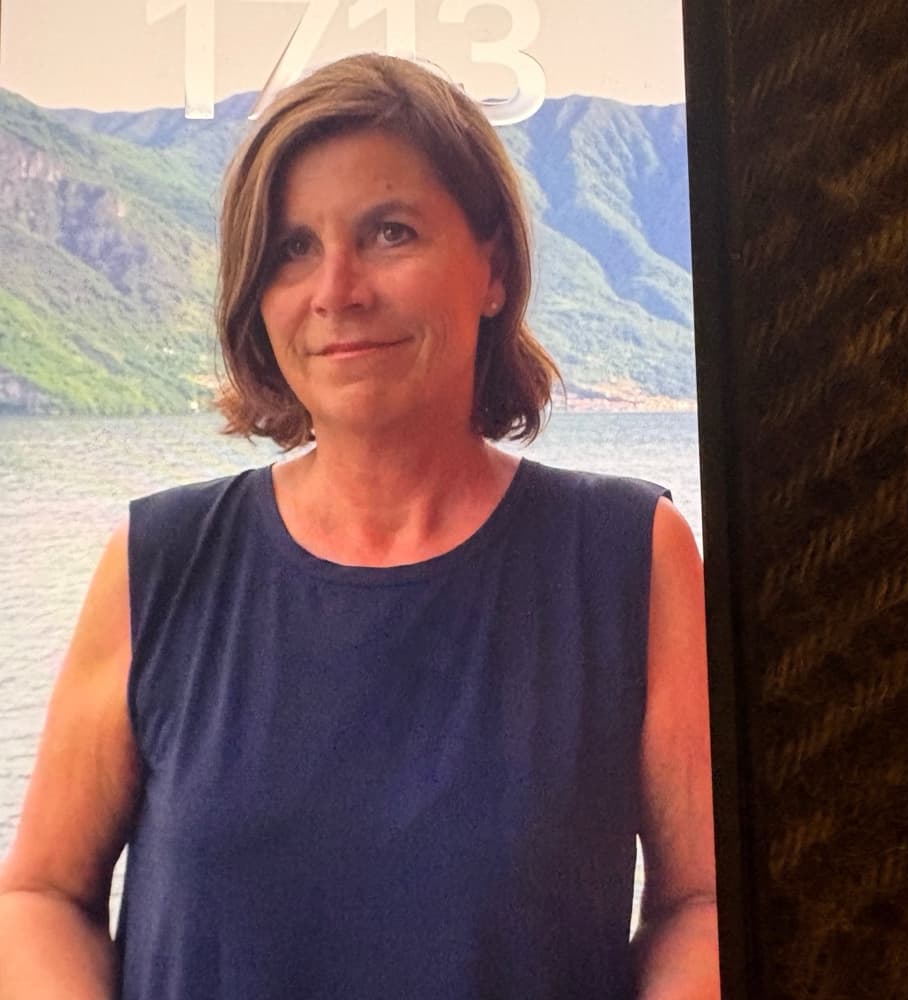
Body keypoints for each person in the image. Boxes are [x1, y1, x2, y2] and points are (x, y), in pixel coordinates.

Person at [0, 54, 718, 999]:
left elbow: (703, 903)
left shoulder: (629, 557)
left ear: (494, 268)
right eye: (292, 248)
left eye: (390, 232)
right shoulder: (160, 563)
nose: (337, 289)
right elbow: (43, 895)